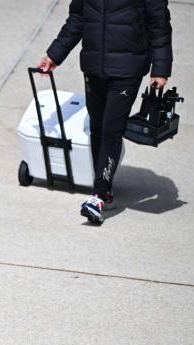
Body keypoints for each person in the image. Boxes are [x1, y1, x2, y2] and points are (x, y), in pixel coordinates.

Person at [38, 0, 173, 224]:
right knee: (97, 128)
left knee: (112, 129)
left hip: (127, 69)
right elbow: (77, 19)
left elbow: (159, 25)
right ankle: (104, 187)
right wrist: (54, 55)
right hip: (94, 67)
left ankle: (100, 194)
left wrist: (161, 69)